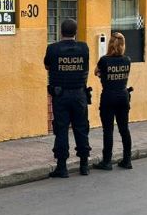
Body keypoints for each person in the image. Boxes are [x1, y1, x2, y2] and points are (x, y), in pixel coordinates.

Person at [44, 18, 91, 178]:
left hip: (61, 95)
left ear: (60, 31)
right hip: (79, 95)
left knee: (61, 130)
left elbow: (47, 66)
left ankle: (62, 167)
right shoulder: (84, 48)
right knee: (81, 128)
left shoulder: (52, 49)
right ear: (75, 32)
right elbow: (86, 67)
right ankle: (84, 165)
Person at [93, 32, 133, 170]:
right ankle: (127, 160)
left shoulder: (104, 60)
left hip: (108, 97)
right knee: (124, 129)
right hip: (123, 96)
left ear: (110, 45)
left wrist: (102, 74)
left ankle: (107, 161)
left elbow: (96, 71)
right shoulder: (127, 60)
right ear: (123, 45)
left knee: (108, 130)